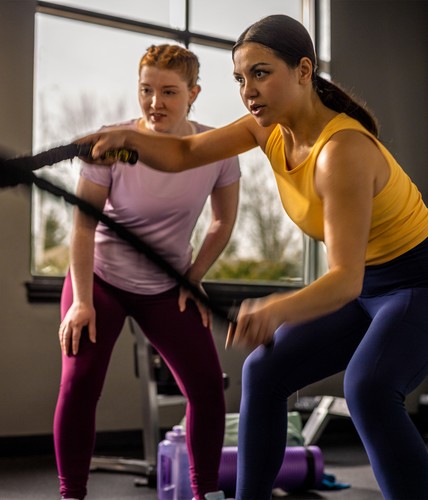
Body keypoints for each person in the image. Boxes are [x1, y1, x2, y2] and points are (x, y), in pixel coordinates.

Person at [77, 14, 428, 500]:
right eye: (241, 79)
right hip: (367, 287)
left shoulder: (342, 151)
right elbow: (183, 153)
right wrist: (127, 139)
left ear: (304, 71)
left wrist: (276, 308)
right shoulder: (269, 130)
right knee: (264, 372)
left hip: (414, 285)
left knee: (367, 388)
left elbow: (344, 279)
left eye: (261, 73)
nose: (248, 91)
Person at [55, 44, 240, 500]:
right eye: (146, 90)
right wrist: (81, 300)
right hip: (100, 280)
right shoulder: (113, 141)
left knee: (207, 390)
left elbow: (222, 221)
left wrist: (194, 277)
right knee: (79, 384)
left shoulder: (217, 148)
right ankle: (71, 493)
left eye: (169, 92)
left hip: (168, 286)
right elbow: (83, 224)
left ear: (194, 93)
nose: (155, 102)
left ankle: (207, 493)